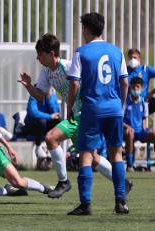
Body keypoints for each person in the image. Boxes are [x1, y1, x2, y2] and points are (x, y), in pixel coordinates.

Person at [18, 33, 132, 201]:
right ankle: (123, 182)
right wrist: (28, 86)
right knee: (91, 157)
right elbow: (40, 95)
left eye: (40, 54)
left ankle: (63, 182)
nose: (37, 58)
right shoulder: (46, 71)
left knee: (51, 138)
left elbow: (88, 82)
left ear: (51, 53)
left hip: (84, 113)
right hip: (77, 115)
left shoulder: (68, 66)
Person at [66, 12, 129, 215]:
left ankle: (85, 205)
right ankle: (121, 202)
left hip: (92, 110)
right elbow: (125, 81)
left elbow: (74, 83)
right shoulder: (116, 51)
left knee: (85, 154)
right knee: (116, 153)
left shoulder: (81, 52)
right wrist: (121, 105)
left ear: (86, 29)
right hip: (113, 110)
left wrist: (69, 108)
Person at [124, 77, 155, 171]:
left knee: (153, 134)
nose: (136, 89)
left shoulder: (143, 102)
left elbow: (144, 118)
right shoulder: (125, 101)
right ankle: (130, 165)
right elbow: (119, 119)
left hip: (140, 131)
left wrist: (146, 128)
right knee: (130, 134)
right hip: (126, 131)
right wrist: (127, 127)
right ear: (130, 87)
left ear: (142, 88)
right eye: (134, 87)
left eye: (138, 87)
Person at [22, 87, 60, 159]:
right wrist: (50, 116)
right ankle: (38, 147)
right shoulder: (33, 96)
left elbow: (56, 113)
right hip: (32, 126)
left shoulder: (52, 96)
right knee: (42, 121)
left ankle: (53, 147)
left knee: (58, 121)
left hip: (45, 127)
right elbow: (34, 113)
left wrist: (49, 98)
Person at [127, 48, 155, 113]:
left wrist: (151, 93)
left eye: (135, 57)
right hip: (129, 103)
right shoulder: (125, 70)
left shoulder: (145, 69)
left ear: (139, 59)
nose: (132, 60)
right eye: (130, 58)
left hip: (144, 102)